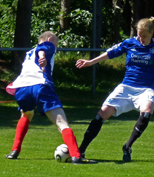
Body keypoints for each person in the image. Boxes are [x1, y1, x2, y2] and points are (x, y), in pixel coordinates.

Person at [75, 17, 154, 162]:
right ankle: (81, 151)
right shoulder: (129, 43)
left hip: (146, 88)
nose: (141, 38)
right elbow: (110, 53)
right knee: (101, 114)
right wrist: (90, 62)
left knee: (146, 112)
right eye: (139, 35)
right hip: (126, 87)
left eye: (144, 36)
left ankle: (127, 146)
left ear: (152, 33)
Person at [5, 31, 97, 164]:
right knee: (62, 123)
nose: (56, 47)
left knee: (26, 115)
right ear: (49, 39)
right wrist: (42, 58)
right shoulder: (49, 45)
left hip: (22, 88)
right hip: (41, 86)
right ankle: (76, 156)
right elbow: (44, 48)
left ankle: (15, 150)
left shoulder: (29, 52)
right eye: (56, 43)